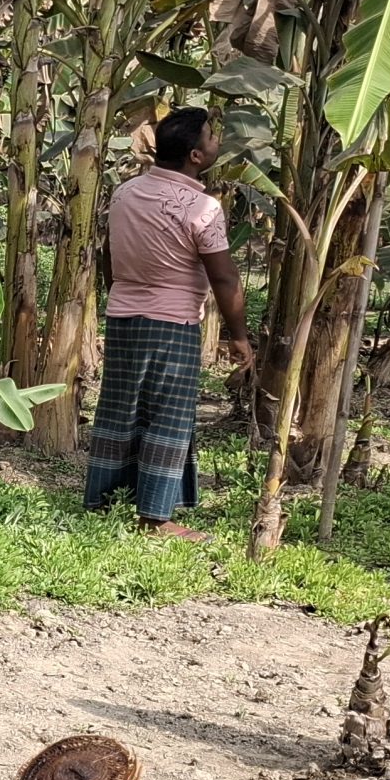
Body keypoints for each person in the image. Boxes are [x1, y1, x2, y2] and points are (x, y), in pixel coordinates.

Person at [82, 105, 251, 543]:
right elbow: (224, 276)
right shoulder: (202, 206)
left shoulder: (124, 193)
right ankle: (155, 518)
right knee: (168, 417)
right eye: (213, 136)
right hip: (172, 320)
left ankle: (104, 497)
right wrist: (239, 336)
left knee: (120, 407)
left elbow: (110, 253)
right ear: (196, 156)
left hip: (123, 315)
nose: (217, 141)